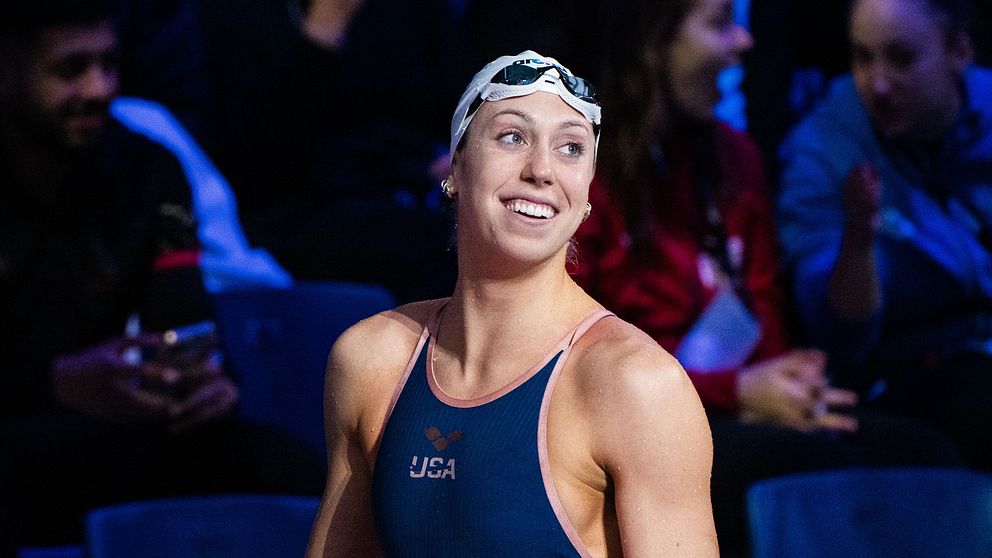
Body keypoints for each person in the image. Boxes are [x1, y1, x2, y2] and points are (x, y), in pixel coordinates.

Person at [571, 0, 962, 554]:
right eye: (719, 23)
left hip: (742, 404)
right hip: (637, 426)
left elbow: (763, 313)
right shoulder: (582, 172)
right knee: (803, 470)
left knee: (919, 455)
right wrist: (737, 393)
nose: (743, 41)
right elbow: (581, 366)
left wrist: (793, 385)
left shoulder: (736, 159)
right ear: (653, 43)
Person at [306, 51, 719, 556]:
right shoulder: (371, 361)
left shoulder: (635, 385)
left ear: (587, 197)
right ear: (455, 168)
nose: (542, 170)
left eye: (571, 148)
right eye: (512, 137)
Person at [0, 0, 322, 549]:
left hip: (109, 422)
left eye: (109, 64)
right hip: (18, 417)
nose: (99, 88)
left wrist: (209, 382)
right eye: (71, 69)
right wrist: (53, 379)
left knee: (292, 471)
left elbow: (183, 319)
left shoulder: (149, 169)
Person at [777, 0, 992, 471]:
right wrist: (858, 241)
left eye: (901, 58)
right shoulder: (823, 149)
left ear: (959, 50)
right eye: (862, 57)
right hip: (900, 375)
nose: (876, 83)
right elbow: (837, 336)